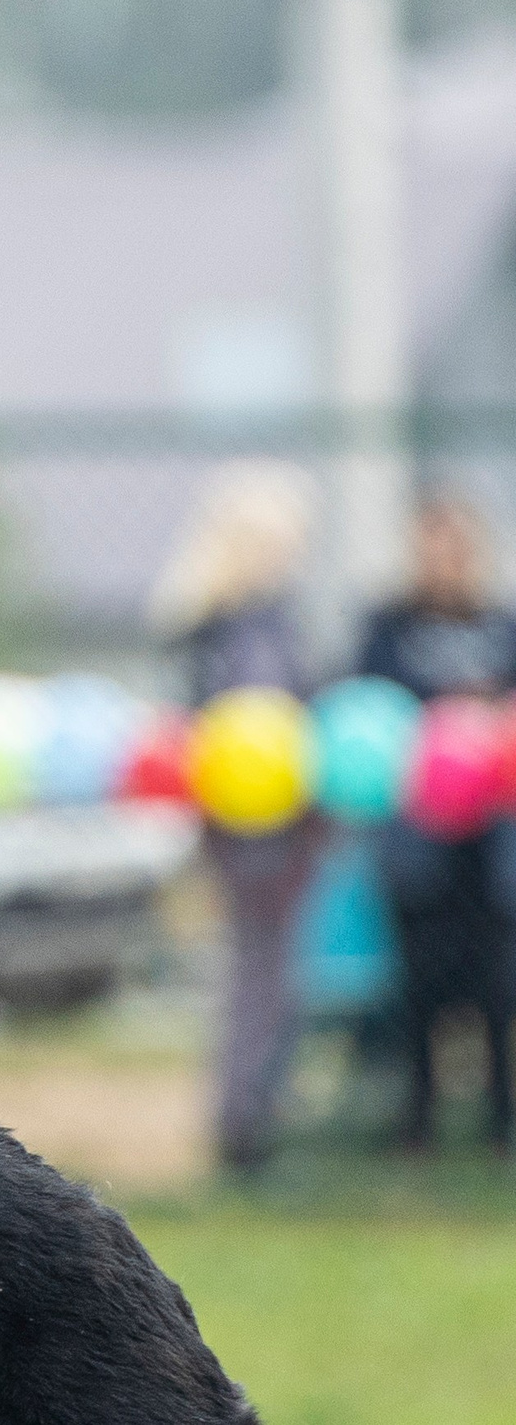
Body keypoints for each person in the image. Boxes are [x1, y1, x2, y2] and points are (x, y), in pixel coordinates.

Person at [148, 460, 325, 1175]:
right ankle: (246, 1126)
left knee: (260, 972)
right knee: (264, 975)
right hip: (260, 827)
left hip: (251, 825)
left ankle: (249, 1118)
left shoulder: (204, 625)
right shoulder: (246, 628)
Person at [355, 492, 516, 1153]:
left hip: (493, 839)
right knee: (418, 982)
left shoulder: (501, 623)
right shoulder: (387, 625)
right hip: (417, 836)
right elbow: (365, 712)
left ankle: (500, 1118)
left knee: (498, 983)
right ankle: (416, 1120)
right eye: (432, 543)